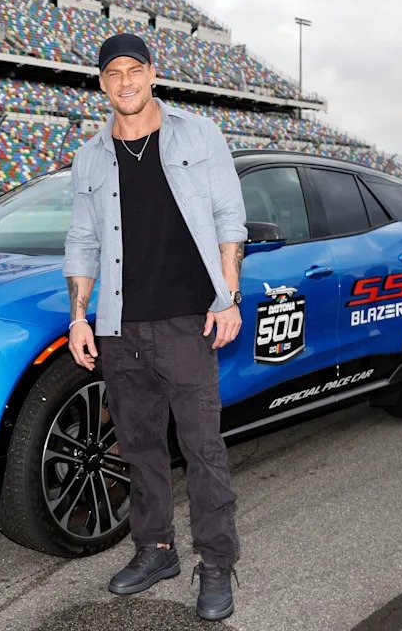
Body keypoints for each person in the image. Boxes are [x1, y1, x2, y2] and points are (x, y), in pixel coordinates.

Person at [62, 32, 246, 622]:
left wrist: (228, 297)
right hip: (119, 327)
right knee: (139, 448)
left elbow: (229, 218)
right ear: (101, 83)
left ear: (152, 73)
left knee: (202, 450)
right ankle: (155, 550)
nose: (124, 81)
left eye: (133, 69)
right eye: (113, 73)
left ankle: (215, 562)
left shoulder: (199, 135)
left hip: (188, 321)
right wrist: (79, 317)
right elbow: (82, 242)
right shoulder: (90, 158)